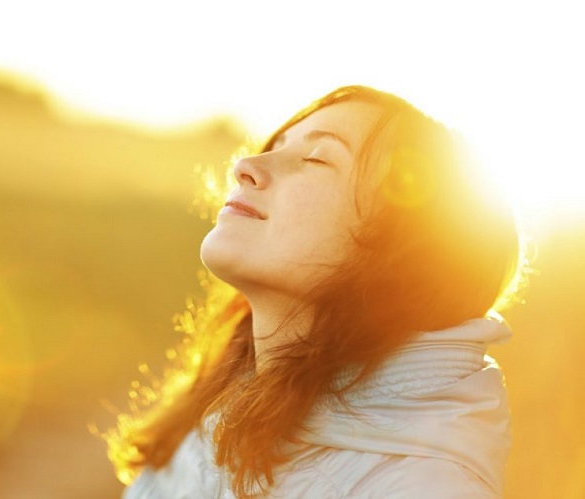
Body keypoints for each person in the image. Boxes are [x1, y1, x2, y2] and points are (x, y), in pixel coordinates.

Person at [106, 85, 524, 498]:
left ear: (401, 251)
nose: (246, 165)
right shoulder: (226, 403)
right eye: (277, 145)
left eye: (316, 158)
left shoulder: (426, 487)